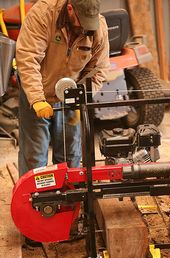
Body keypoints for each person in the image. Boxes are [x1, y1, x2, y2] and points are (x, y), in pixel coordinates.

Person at [16, 0, 110, 177]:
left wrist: (81, 98)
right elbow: (28, 59)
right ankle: (33, 200)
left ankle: (70, 199)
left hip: (70, 94)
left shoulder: (98, 28)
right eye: (81, 20)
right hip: (38, 90)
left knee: (70, 155)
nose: (85, 27)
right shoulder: (43, 14)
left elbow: (99, 69)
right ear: (70, 9)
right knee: (35, 155)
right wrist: (37, 99)